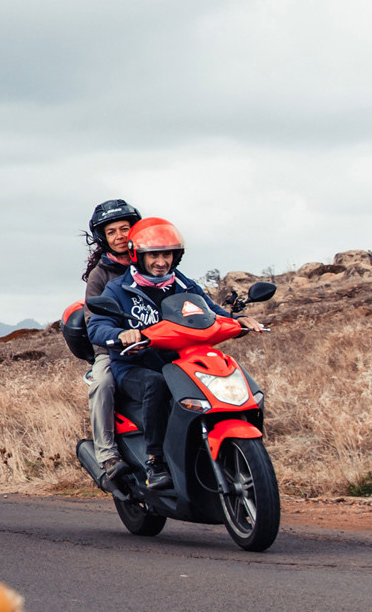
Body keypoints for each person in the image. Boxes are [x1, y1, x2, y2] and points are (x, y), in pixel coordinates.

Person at [89, 217, 263, 492]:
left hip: (178, 361)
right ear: (138, 255)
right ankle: (156, 463)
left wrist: (238, 320)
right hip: (134, 365)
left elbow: (209, 312)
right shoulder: (118, 288)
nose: (161, 261)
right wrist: (121, 334)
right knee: (155, 384)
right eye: (153, 255)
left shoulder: (184, 285)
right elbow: (97, 326)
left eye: (166, 254)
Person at [81, 199, 142, 475]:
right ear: (103, 238)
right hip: (114, 350)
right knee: (102, 382)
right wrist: (118, 336)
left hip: (158, 344)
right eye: (112, 232)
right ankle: (107, 455)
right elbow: (93, 320)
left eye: (125, 228)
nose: (120, 236)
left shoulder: (154, 261)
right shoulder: (100, 275)